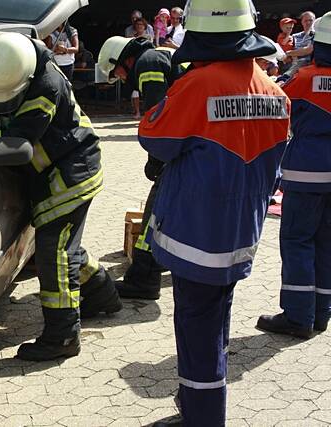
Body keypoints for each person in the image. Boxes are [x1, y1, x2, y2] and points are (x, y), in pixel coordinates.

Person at [136, 0, 290, 424]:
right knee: (215, 323)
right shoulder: (276, 93)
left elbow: (154, 138)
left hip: (194, 237)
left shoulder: (197, 86)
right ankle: (200, 404)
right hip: (241, 237)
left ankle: (202, 417)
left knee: (196, 332)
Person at [0, 32, 122, 361]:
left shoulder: (45, 87)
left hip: (70, 176)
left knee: (55, 255)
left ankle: (63, 336)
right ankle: (103, 294)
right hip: (64, 167)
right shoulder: (6, 59)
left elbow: (17, 144)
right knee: (66, 248)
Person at [257, 11, 331, 339]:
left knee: (297, 239)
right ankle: (321, 314)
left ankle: (298, 317)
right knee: (327, 241)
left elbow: (269, 106)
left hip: (305, 173)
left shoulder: (301, 79)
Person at [97, 35, 185, 300]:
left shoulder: (147, 63)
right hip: (195, 142)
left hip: (181, 147)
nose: (121, 79)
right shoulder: (161, 54)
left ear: (125, 58)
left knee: (155, 212)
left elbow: (158, 114)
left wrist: (155, 159)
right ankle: (161, 261)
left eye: (117, 72)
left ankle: (144, 279)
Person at [282, 11, 316, 76]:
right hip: (293, 64)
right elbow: (287, 47)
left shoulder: (317, 35)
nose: (308, 22)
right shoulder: (295, 36)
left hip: (309, 65)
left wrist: (288, 53)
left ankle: (284, 79)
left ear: (314, 21)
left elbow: (308, 50)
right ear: (302, 22)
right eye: (305, 21)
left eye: (310, 20)